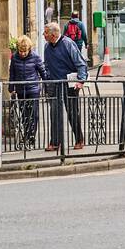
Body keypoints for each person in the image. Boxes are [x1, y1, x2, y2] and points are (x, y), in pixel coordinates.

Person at [42, 20, 87, 151]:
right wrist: (46, 81)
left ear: (53, 35)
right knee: (54, 113)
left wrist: (81, 81)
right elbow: (47, 65)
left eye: (45, 33)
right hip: (55, 84)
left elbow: (81, 63)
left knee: (73, 113)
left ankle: (79, 139)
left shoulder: (68, 44)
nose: (43, 35)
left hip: (69, 84)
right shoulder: (47, 46)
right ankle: (55, 142)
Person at [8, 35, 46, 146]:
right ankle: (27, 135)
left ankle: (31, 137)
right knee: (24, 114)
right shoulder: (14, 58)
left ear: (29, 49)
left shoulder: (35, 57)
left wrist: (48, 87)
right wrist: (11, 88)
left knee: (33, 115)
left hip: (33, 90)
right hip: (20, 90)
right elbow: (12, 74)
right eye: (20, 51)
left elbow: (43, 72)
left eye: (25, 51)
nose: (23, 53)